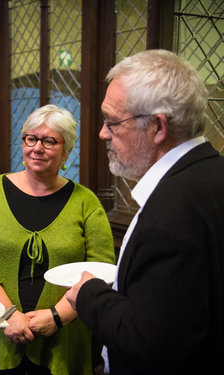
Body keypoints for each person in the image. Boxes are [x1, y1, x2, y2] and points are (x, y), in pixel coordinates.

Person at [65, 49, 224, 375]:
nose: (102, 133)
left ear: (157, 127)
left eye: (112, 121)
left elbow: (150, 344)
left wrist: (89, 295)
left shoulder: (172, 211)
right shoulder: (211, 173)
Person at [0, 104, 115, 375]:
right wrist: (9, 315)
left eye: (49, 141)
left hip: (65, 339)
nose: (37, 148)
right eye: (31, 138)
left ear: (66, 150)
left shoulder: (86, 202)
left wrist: (57, 317)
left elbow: (100, 269)